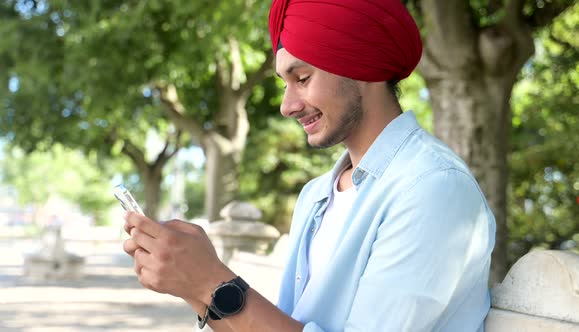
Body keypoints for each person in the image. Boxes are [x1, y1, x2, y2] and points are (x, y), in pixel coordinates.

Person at [122, 0, 496, 331]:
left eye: (302, 79)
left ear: (362, 66)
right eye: (286, 84)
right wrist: (193, 286)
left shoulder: (432, 188)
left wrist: (212, 283)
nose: (287, 106)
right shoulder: (316, 195)